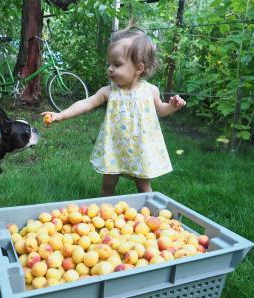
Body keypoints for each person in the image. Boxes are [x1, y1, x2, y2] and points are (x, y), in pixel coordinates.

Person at [41, 24, 186, 196]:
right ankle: (105, 212)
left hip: (141, 149)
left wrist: (172, 107)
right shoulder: (109, 91)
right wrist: (60, 115)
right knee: (108, 184)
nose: (110, 68)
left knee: (144, 186)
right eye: (109, 63)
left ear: (138, 68)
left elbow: (161, 110)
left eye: (117, 64)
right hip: (114, 147)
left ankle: (147, 216)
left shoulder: (150, 91)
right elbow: (85, 103)